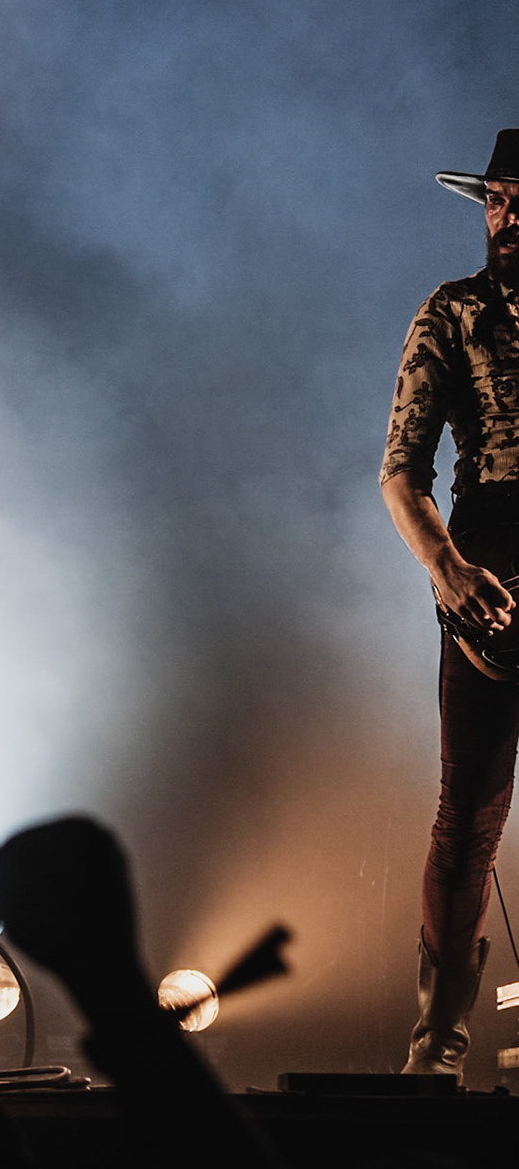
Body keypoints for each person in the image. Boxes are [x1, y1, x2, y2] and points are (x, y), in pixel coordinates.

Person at [382, 127, 519, 1075]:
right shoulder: (454, 310)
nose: (509, 217)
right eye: (499, 200)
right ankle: (438, 1033)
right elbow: (400, 469)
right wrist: (447, 567)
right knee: (467, 806)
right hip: (491, 563)